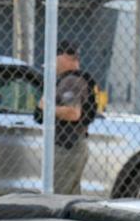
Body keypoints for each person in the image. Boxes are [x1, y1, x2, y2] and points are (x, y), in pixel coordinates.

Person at [37, 40, 98, 195]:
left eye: (54, 57)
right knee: (69, 197)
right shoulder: (68, 80)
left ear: (65, 56)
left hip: (67, 147)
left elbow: (73, 112)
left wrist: (47, 107)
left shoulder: (71, 81)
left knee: (57, 196)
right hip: (71, 144)